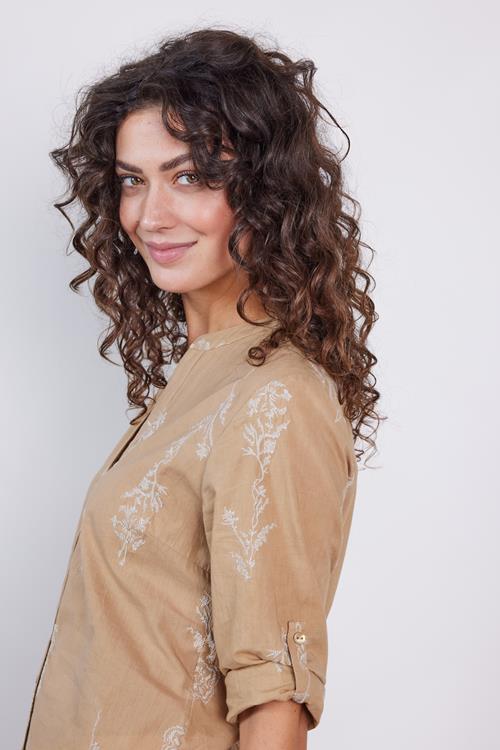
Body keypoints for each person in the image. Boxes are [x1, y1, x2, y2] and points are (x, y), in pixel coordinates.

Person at [22, 26, 383, 750]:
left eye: (189, 177)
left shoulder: (275, 398)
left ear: (265, 191)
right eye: (133, 180)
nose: (148, 216)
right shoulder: (206, 375)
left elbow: (274, 703)